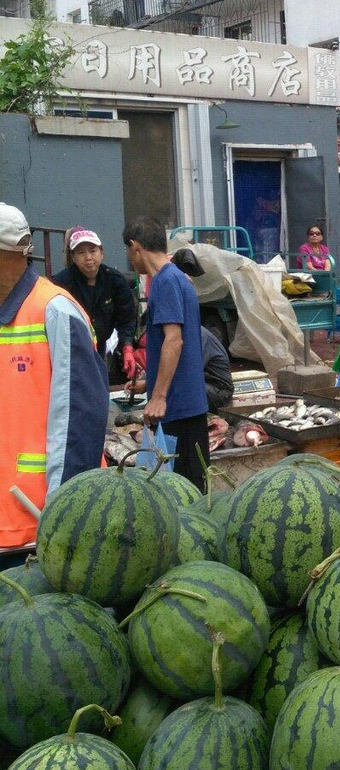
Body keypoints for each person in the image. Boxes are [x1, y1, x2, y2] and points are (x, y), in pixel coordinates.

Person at [0, 203, 107, 554]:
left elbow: (80, 418)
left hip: (40, 522)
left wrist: (65, 515)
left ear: (12, 255)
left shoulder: (54, 310)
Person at [122, 218, 209, 490]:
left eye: (127, 250)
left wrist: (158, 397)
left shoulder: (165, 281)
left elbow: (174, 341)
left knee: (185, 495)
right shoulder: (176, 279)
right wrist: (148, 385)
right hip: (186, 404)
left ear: (135, 247)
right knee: (188, 490)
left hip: (179, 408)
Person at [52, 227, 138, 383]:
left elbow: (127, 319)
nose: (88, 257)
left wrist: (127, 348)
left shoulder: (115, 280)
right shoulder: (61, 284)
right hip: (71, 351)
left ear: (102, 252)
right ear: (73, 257)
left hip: (100, 348)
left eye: (92, 251)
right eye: (81, 253)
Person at [170, 248, 234, 412]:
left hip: (218, 392)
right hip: (205, 384)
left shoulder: (197, 335)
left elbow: (186, 370)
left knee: (178, 385)